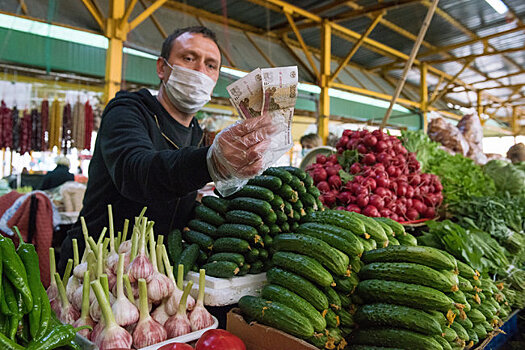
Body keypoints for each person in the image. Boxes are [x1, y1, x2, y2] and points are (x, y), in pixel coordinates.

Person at [58, 26, 275, 271]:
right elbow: (136, 171)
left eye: (211, 65)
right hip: (95, 266)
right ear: (162, 68)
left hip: (155, 271)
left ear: (215, 80)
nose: (200, 70)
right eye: (189, 58)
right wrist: (210, 161)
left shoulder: (196, 132)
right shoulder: (127, 110)